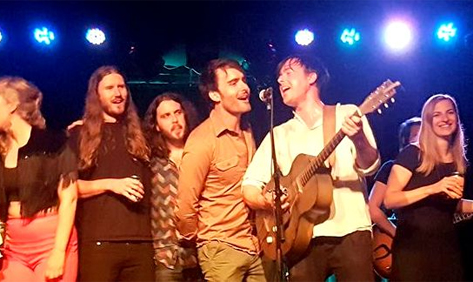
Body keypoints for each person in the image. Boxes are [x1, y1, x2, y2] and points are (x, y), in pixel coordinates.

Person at [241, 54, 380, 282]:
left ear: (311, 77)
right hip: (300, 237)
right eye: (279, 76)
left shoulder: (347, 114)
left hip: (351, 231)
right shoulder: (279, 134)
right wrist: (268, 202)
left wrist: (359, 140)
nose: (280, 80)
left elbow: (370, 166)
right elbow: (249, 186)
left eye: (289, 73)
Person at [0, 76, 79, 282]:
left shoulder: (53, 143)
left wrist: (59, 253)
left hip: (51, 243)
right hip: (13, 248)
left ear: (12, 105)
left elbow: (69, 198)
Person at [176, 58, 265, 282]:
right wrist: (205, 239)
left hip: (255, 245)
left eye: (243, 81)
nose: (244, 87)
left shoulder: (247, 131)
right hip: (221, 248)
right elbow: (185, 205)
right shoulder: (202, 140)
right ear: (214, 95)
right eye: (233, 83)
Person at [68, 66, 154, 281]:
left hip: (141, 243)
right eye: (109, 88)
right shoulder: (79, 134)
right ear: (96, 95)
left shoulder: (141, 134)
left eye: (121, 87)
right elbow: (66, 189)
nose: (117, 93)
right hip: (99, 242)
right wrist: (110, 184)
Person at [384, 94, 473, 281]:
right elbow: (390, 199)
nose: (445, 119)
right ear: (428, 121)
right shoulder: (412, 153)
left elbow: (451, 205)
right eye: (437, 115)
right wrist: (433, 188)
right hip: (413, 249)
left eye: (450, 113)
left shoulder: (457, 161)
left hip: (446, 248)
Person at [143, 93, 203, 282]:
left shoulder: (200, 154)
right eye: (166, 116)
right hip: (165, 258)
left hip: (201, 254)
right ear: (156, 125)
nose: (174, 119)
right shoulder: (150, 161)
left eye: (177, 112)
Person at [368, 117, 421, 238]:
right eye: (416, 135)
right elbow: (373, 207)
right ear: (406, 141)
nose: (422, 139)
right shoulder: (391, 168)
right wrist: (396, 233)